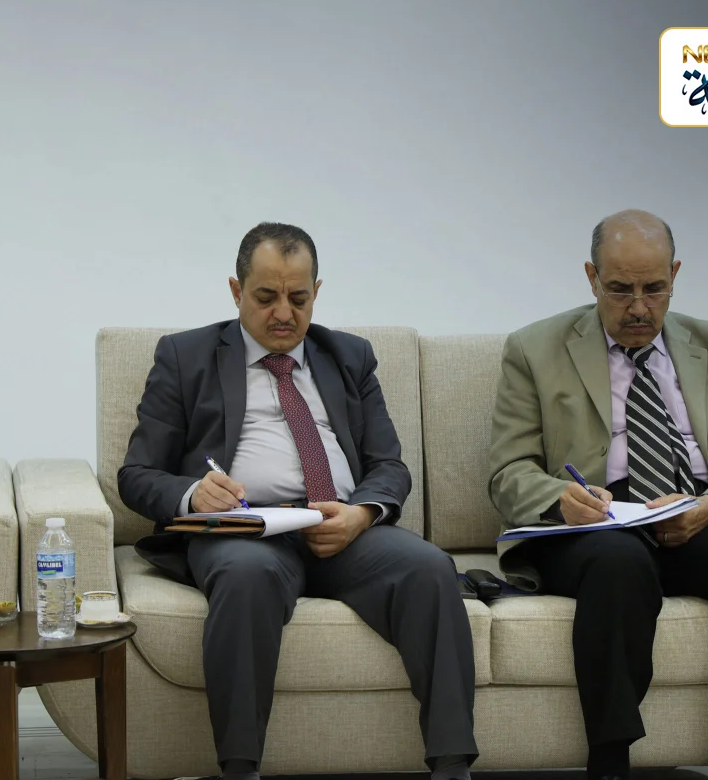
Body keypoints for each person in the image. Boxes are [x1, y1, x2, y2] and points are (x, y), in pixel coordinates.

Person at [119, 222, 478, 780]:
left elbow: (389, 465)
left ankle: (453, 766)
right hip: (244, 531)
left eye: (299, 298)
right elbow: (137, 474)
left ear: (317, 292)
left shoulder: (349, 356)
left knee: (430, 569)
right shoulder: (185, 356)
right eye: (266, 297)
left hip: (341, 527)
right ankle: (241, 769)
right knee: (246, 578)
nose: (283, 313)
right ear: (236, 291)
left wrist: (361, 514)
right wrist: (192, 493)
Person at [488, 209, 708, 780]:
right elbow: (508, 471)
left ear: (675, 275)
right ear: (591, 278)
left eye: (654, 288)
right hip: (597, 524)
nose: (638, 307)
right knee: (618, 564)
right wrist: (561, 497)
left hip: (695, 513)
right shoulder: (534, 349)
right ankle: (610, 762)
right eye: (620, 289)